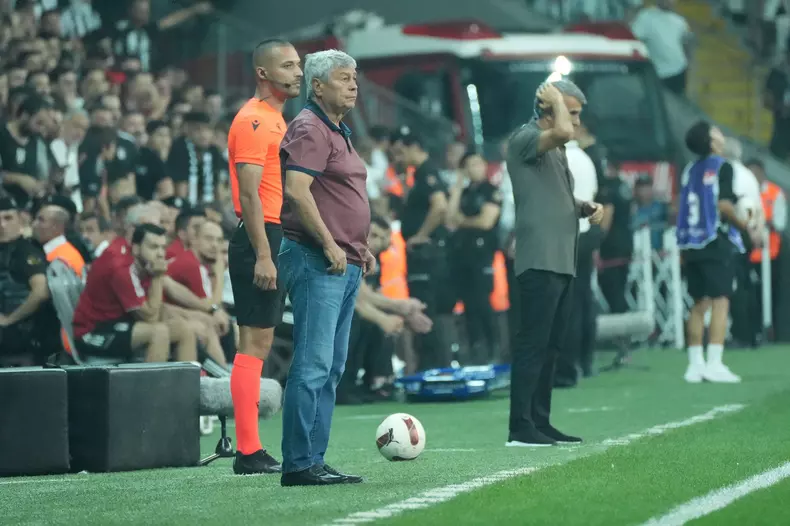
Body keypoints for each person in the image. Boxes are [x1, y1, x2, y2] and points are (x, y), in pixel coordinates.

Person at [278, 49, 374, 486]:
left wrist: (358, 246)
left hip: (342, 259)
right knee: (314, 363)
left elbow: (336, 197)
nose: (353, 85)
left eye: (354, 77)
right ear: (317, 86)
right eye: (343, 78)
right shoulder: (310, 127)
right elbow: (297, 191)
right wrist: (331, 243)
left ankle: (313, 458)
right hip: (317, 258)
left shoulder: (336, 129)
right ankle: (299, 463)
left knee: (331, 367)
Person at [505, 80, 603, 447]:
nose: (576, 122)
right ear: (549, 107)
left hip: (561, 258)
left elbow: (556, 196)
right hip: (540, 257)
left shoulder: (556, 149)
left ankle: (539, 421)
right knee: (533, 344)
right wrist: (557, 103)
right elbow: (562, 130)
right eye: (572, 112)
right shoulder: (525, 138)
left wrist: (583, 207)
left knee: (551, 346)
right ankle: (520, 426)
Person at [225, 38, 302, 476]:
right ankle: (248, 451)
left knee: (261, 342)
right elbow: (250, 195)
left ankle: (250, 449)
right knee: (253, 343)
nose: (297, 72)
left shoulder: (275, 118)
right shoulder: (254, 120)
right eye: (287, 66)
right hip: (261, 238)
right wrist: (263, 254)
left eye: (298, 65)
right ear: (263, 72)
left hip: (273, 235)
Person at [676, 121, 759, 384]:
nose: (721, 134)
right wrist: (743, 223)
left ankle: (694, 364)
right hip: (714, 240)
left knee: (698, 304)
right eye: (716, 132)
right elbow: (723, 205)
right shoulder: (724, 167)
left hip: (691, 241)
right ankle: (714, 362)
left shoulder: (689, 169)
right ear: (711, 140)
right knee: (721, 301)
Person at [338, 215, 431, 404]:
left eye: (382, 237)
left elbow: (373, 295)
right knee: (358, 321)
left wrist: (402, 311)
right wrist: (395, 311)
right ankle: (343, 386)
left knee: (378, 321)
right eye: (374, 235)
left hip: (351, 307)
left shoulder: (373, 259)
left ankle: (376, 382)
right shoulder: (349, 252)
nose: (377, 242)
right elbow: (359, 297)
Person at [71, 223, 195, 363]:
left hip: (119, 322)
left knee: (184, 330)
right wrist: (157, 276)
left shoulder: (138, 260)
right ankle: (154, 379)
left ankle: (191, 377)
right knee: (159, 332)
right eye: (154, 247)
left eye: (163, 247)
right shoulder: (121, 267)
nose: (161, 254)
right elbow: (150, 318)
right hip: (92, 332)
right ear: (136, 248)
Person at [393, 130, 453, 371]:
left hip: (425, 255)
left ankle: (433, 367)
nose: (398, 158)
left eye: (401, 152)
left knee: (426, 308)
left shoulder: (427, 172)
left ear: (414, 147)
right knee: (431, 309)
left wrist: (421, 235)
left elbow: (440, 207)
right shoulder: (419, 175)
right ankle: (436, 365)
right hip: (427, 254)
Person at [446, 151, 502, 365]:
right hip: (462, 256)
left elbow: (486, 222)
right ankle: (475, 350)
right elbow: (449, 218)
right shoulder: (465, 192)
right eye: (469, 165)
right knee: (468, 305)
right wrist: (458, 187)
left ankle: (493, 348)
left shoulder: (490, 191)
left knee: (482, 303)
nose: (474, 168)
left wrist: (462, 221)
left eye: (478, 163)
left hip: (482, 255)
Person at [556, 137, 599, 386]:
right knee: (584, 300)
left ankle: (566, 367)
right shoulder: (585, 159)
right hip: (585, 233)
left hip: (565, 235)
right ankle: (586, 360)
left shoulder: (558, 160)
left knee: (566, 304)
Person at [0, 197, 55, 366]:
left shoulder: (25, 251)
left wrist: (9, 319)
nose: (2, 225)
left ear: (20, 219)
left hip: (19, 343)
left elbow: (41, 291)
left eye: (8, 218)